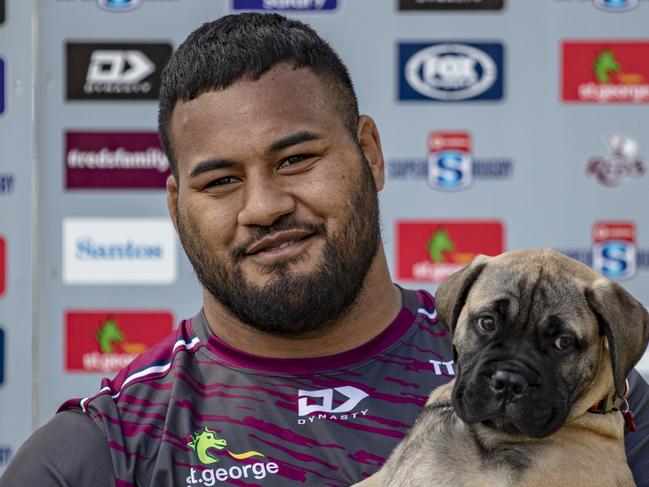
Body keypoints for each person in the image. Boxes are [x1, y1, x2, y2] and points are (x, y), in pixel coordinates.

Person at [2, 13, 649, 486]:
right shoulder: (98, 453)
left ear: (369, 153)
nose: (264, 204)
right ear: (176, 203)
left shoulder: (601, 402)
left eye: (296, 157)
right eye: (220, 179)